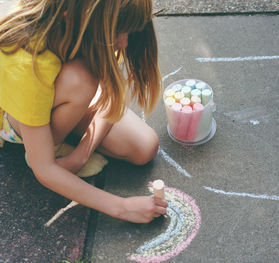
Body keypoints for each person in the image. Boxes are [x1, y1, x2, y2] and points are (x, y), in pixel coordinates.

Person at [0, 0, 168, 223]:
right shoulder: (28, 62)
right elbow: (44, 169)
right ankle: (46, 144)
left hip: (63, 95)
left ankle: (61, 132)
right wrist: (122, 207)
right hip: (13, 118)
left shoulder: (95, 26)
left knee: (144, 147)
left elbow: (111, 97)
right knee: (81, 79)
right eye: (120, 32)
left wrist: (80, 156)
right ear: (82, 18)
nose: (125, 43)